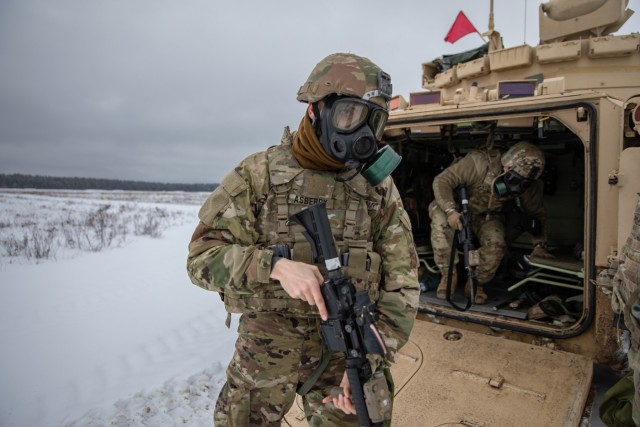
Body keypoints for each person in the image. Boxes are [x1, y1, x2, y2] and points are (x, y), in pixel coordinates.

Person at [186, 52, 419, 426]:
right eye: (350, 115)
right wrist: (274, 266)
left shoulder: (377, 190)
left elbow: (403, 284)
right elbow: (200, 260)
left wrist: (371, 359)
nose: (361, 135)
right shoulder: (258, 175)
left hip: (348, 354)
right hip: (267, 352)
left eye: (373, 122)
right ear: (316, 109)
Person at [429, 141, 554, 305]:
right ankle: (448, 275)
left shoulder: (526, 183)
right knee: (440, 222)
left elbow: (536, 212)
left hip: (487, 216)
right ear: (507, 166)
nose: (518, 186)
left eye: (524, 182)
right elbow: (442, 180)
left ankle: (475, 282)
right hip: (456, 209)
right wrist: (451, 210)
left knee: (496, 244)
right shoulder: (479, 163)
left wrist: (540, 245)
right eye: (516, 178)